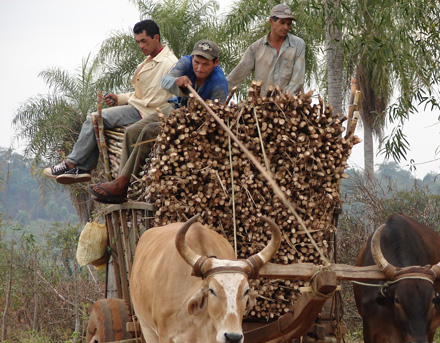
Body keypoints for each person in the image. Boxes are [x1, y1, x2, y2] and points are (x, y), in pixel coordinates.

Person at [88, 39, 228, 204]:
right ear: (192, 58)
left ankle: (122, 184)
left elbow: (213, 118)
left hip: (193, 121)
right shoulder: (185, 63)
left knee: (149, 132)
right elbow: (165, 81)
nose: (199, 68)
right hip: (175, 108)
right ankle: (120, 181)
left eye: (205, 64)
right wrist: (177, 81)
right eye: (197, 62)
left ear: (215, 63)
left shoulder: (219, 83)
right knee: (132, 131)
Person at [43, 20, 178, 185]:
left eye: (144, 41)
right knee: (97, 121)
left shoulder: (169, 64)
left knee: (94, 118)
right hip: (138, 107)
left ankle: (71, 163)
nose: (141, 46)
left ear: (156, 37)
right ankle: (83, 169)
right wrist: (119, 99)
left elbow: (154, 99)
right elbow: (143, 94)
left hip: (144, 113)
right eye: (138, 42)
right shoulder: (152, 59)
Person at [226, 4, 305, 96]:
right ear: (271, 21)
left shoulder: (298, 44)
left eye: (289, 24)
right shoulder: (255, 48)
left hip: (289, 104)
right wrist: (218, 92)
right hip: (263, 105)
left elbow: (297, 80)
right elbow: (237, 75)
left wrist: (282, 98)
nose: (286, 27)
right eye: (282, 22)